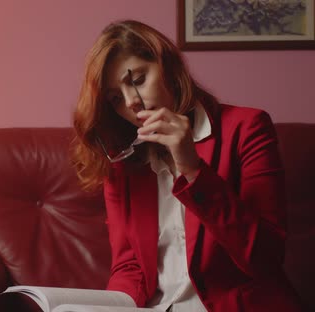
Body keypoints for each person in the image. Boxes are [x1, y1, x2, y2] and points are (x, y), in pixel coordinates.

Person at [71, 20, 305, 312]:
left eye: (138, 80)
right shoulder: (122, 164)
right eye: (116, 98)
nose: (131, 102)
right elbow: (129, 268)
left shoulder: (247, 129)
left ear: (167, 65)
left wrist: (193, 169)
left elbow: (265, 258)